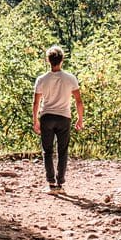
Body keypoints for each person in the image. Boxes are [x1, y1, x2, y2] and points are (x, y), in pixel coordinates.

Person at [32, 45, 84, 194]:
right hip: (64, 117)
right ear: (62, 60)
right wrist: (80, 119)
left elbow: (36, 102)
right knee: (62, 151)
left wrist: (35, 120)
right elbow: (78, 101)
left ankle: (51, 183)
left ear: (48, 60)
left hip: (47, 117)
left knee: (47, 151)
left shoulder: (41, 79)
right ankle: (60, 184)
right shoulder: (70, 78)